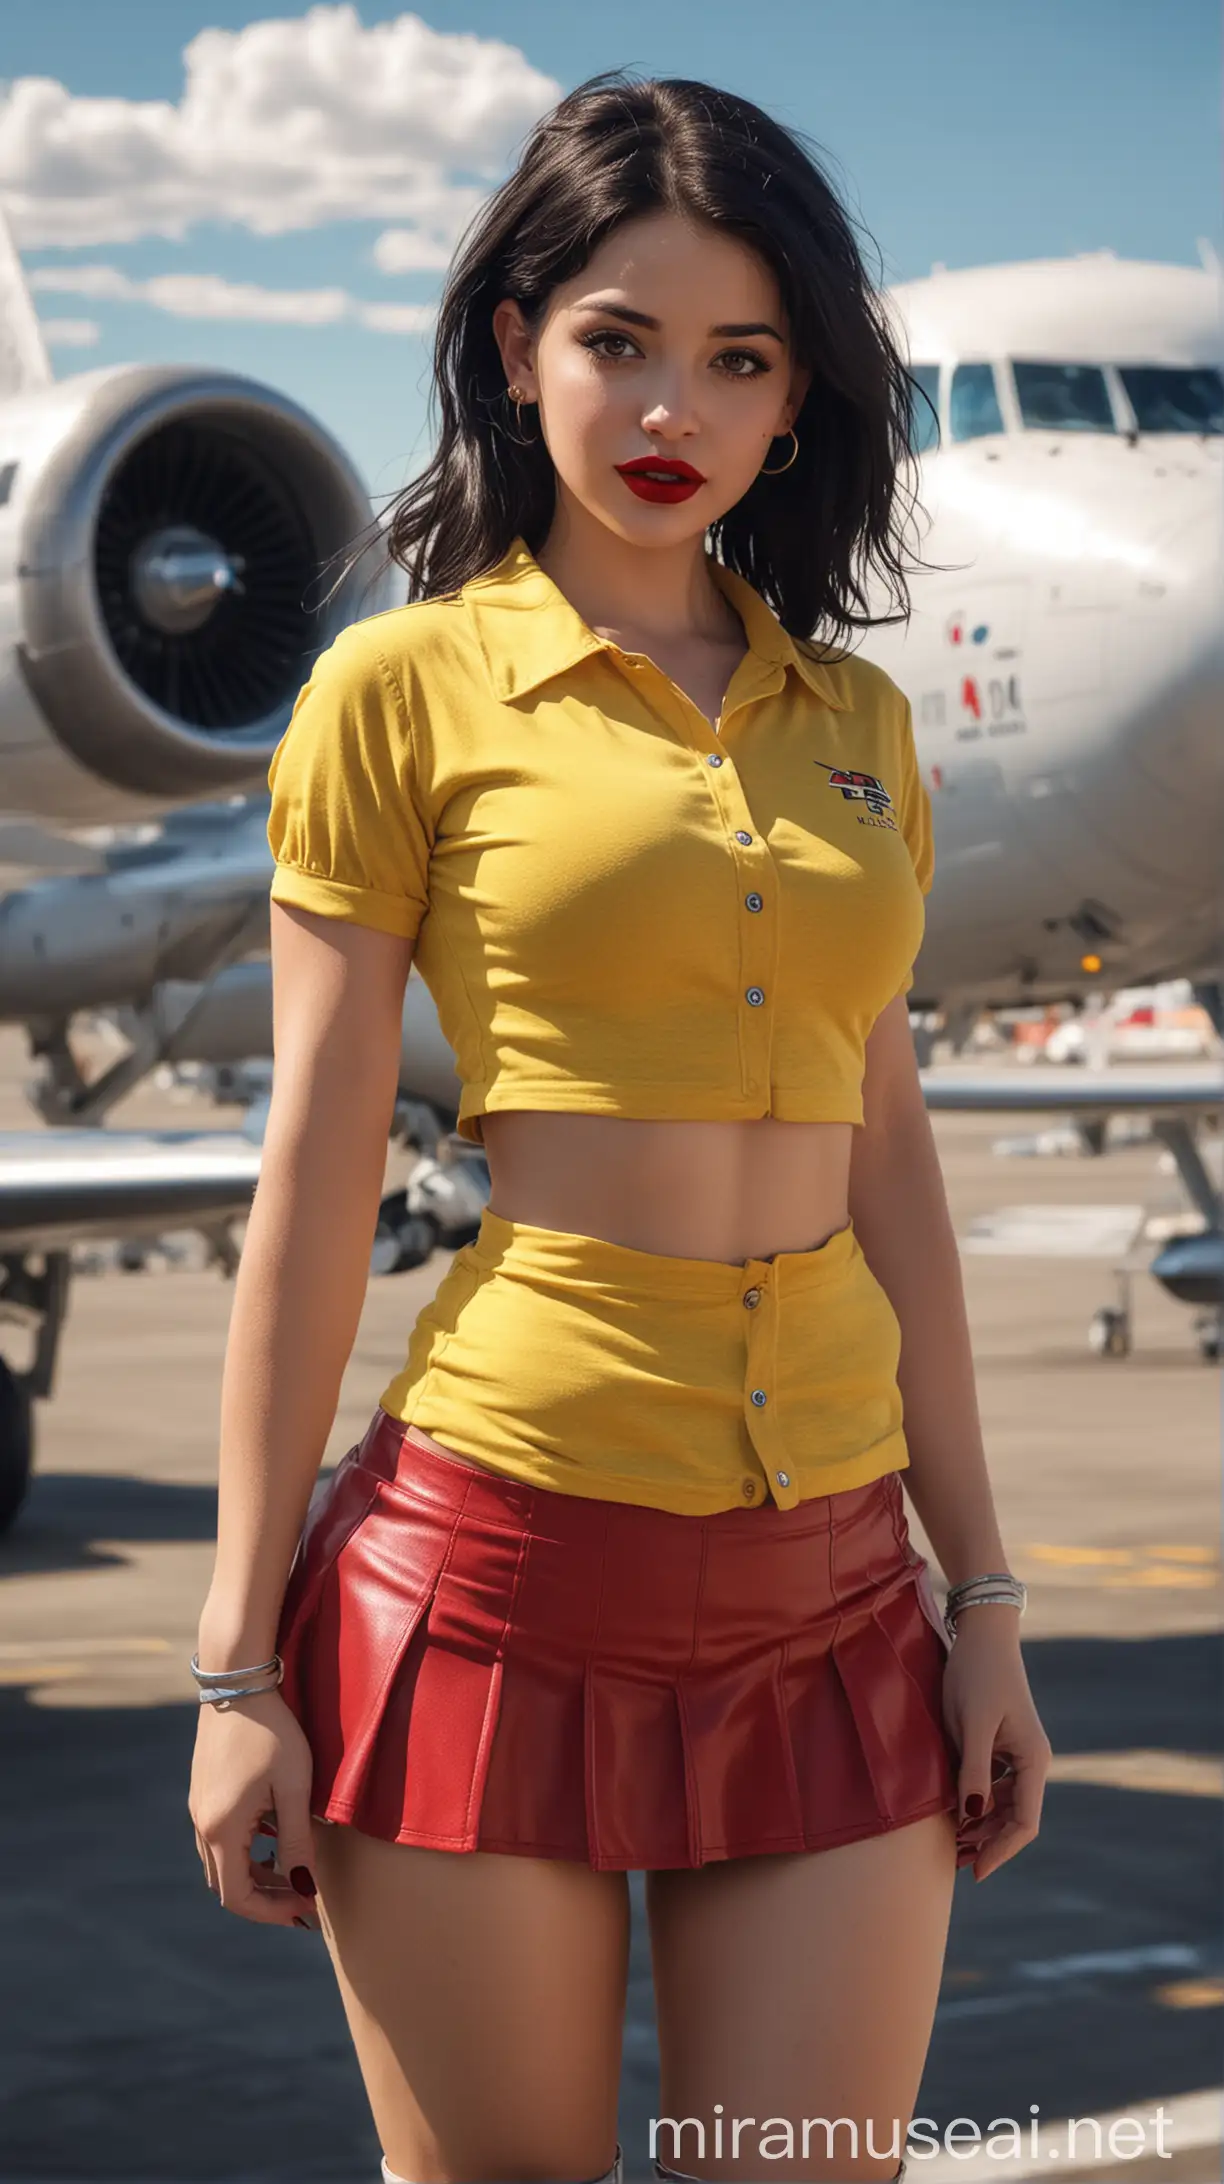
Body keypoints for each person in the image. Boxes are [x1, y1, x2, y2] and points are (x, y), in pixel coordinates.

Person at [189, 72, 1051, 2184]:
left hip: (841, 1603)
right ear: (517, 349)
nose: (673, 404)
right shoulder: (394, 692)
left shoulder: (860, 727)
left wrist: (990, 1600)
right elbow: (309, 1188)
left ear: (794, 404)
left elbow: (896, 1182)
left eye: (739, 359)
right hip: (491, 1578)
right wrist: (233, 1669)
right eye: (618, 341)